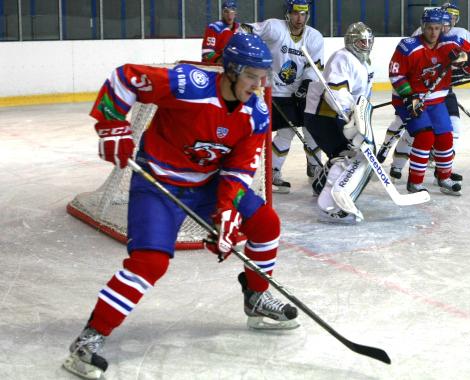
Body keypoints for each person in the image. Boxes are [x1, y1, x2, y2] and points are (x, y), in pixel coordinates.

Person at [62, 34, 299, 380]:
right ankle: (90, 337)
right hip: (158, 184)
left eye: (264, 76)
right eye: (252, 75)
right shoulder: (190, 84)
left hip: (207, 184)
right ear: (230, 71)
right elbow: (125, 77)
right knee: (150, 263)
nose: (260, 84)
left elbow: (239, 168)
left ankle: (257, 298)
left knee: (265, 224)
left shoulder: (257, 113)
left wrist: (227, 216)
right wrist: (111, 124)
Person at [379, 2, 470, 184]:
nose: (435, 31)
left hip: (441, 94)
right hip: (414, 93)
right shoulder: (414, 41)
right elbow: (401, 71)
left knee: (448, 132)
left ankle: (443, 172)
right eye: (431, 27)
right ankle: (396, 162)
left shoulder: (457, 37)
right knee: (416, 133)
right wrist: (409, 96)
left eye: (440, 27)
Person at [242, 0, 324, 194]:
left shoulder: (314, 37)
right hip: (270, 92)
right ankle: (270, 170)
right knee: (280, 131)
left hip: (298, 93)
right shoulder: (274, 28)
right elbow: (244, 30)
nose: (300, 18)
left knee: (311, 127)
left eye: (303, 14)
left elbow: (315, 67)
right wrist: (252, 56)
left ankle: (314, 166)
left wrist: (306, 84)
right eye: (296, 13)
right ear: (288, 13)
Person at [303, 21, 375, 223]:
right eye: (361, 42)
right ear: (351, 41)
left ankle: (320, 184)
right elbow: (336, 92)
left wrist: (361, 118)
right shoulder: (343, 58)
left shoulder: (365, 63)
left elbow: (362, 98)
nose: (366, 45)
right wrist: (352, 118)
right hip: (323, 115)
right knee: (353, 155)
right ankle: (330, 206)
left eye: (368, 41)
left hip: (332, 116)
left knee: (345, 153)